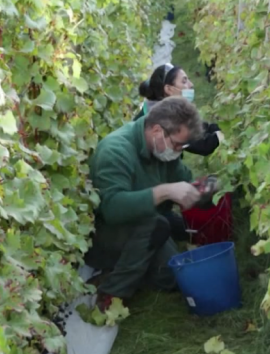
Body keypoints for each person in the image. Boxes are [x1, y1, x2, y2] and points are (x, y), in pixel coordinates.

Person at [85, 98, 206, 310]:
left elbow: (182, 177)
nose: (178, 150)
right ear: (158, 130)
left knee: (173, 277)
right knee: (157, 226)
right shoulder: (115, 151)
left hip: (146, 222)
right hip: (107, 234)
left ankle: (135, 267)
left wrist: (201, 189)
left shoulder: (161, 148)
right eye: (177, 144)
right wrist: (165, 191)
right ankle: (111, 291)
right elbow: (112, 208)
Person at [136, 63, 221, 157]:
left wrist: (219, 128)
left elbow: (199, 128)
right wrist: (223, 135)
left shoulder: (162, 108)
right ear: (168, 89)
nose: (191, 85)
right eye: (184, 81)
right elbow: (204, 145)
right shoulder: (163, 119)